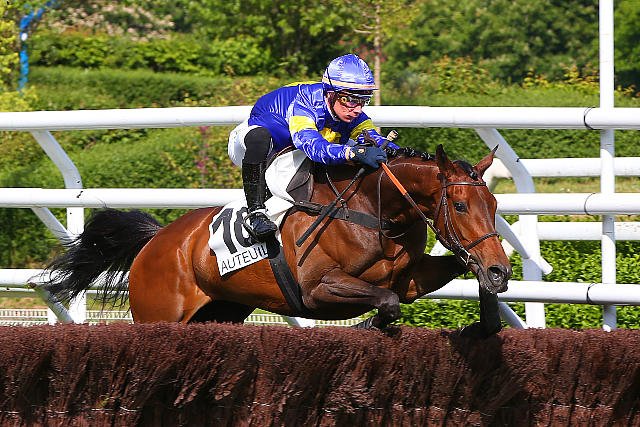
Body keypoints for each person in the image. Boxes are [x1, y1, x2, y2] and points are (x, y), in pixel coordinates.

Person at [228, 53, 400, 242]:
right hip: (255, 147)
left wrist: (400, 152)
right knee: (259, 138)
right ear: (331, 93)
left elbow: (375, 139)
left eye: (363, 100)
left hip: (290, 153)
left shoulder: (352, 112)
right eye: (351, 100)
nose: (357, 109)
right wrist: (353, 152)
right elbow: (313, 146)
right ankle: (255, 214)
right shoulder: (306, 102)